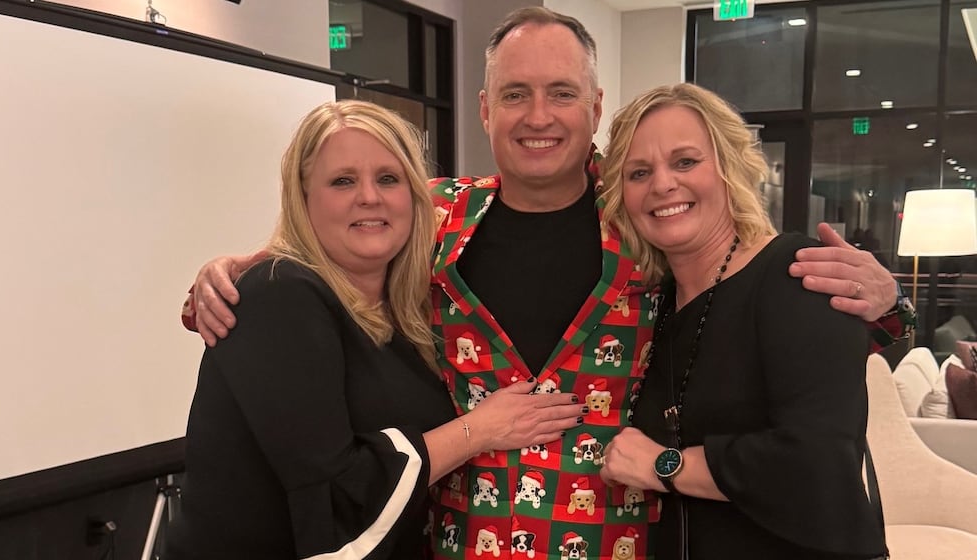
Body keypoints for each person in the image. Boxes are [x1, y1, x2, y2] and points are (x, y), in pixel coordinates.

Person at [182, 9, 912, 558]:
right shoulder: (433, 219)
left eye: (561, 93)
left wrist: (889, 304)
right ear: (484, 108)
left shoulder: (645, 215)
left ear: (594, 108)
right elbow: (337, 236)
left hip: (619, 540)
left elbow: (747, 294)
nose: (538, 116)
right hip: (458, 541)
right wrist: (236, 270)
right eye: (515, 94)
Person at [165, 100, 584, 560]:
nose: (369, 197)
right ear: (303, 197)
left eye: (388, 179)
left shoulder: (402, 311)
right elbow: (338, 494)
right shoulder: (279, 294)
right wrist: (480, 429)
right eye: (343, 181)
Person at [598, 83, 888, 559]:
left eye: (685, 161)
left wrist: (665, 466)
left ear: (729, 167)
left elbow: (818, 465)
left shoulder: (798, 273)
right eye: (639, 172)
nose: (662, 184)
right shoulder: (656, 304)